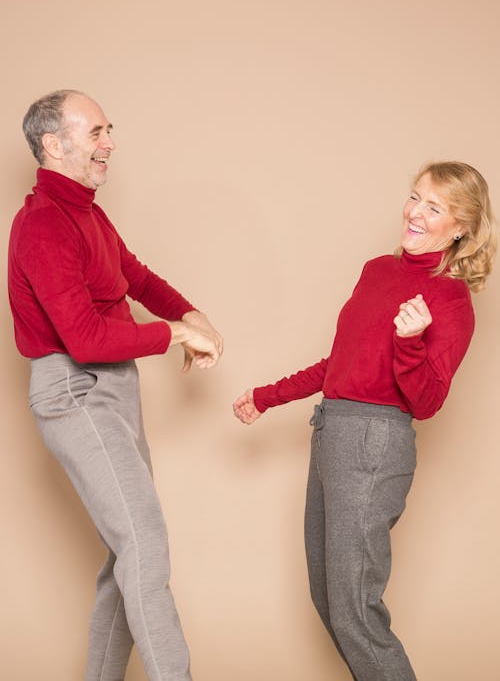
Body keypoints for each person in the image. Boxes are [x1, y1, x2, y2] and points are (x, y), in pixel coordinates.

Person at [233, 161, 496, 681]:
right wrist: (267, 396)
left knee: (354, 606)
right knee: (329, 596)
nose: (415, 213)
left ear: (461, 228)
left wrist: (411, 342)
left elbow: (426, 402)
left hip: (376, 444)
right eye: (415, 196)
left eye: (434, 207)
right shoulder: (377, 270)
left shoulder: (450, 300)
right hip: (332, 430)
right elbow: (341, 363)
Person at [8, 89, 223, 681]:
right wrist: (177, 334)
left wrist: (192, 314)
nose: (110, 143)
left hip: (115, 391)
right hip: (74, 393)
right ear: (53, 145)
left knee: (126, 553)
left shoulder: (88, 213)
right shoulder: (43, 225)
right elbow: (85, 340)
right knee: (145, 542)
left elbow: (136, 277)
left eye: (110, 130)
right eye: (96, 132)